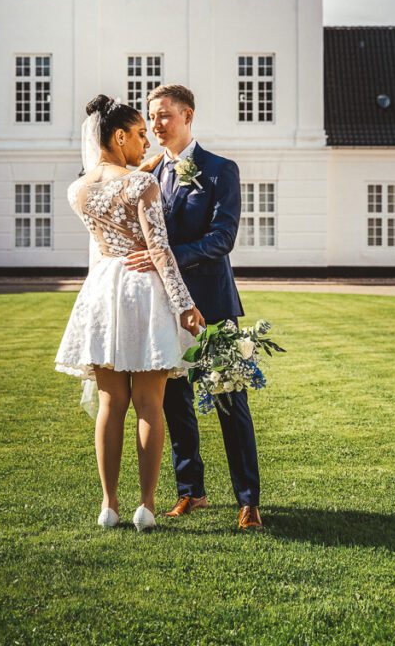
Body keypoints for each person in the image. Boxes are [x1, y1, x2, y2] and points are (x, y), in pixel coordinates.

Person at [55, 95, 205, 532]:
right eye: (140, 135)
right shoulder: (142, 186)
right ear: (119, 137)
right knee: (149, 405)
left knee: (110, 403)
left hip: (102, 291)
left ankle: (108, 505)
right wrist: (185, 305)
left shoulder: (77, 190)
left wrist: (134, 170)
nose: (146, 143)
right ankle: (146, 506)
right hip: (142, 292)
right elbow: (158, 249)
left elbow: (106, 205)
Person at [124, 84, 263, 531]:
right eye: (151, 116)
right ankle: (191, 492)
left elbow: (223, 239)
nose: (155, 124)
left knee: (228, 400)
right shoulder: (148, 173)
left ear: (188, 115)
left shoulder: (221, 170)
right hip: (164, 305)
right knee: (175, 403)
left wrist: (165, 256)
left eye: (164, 115)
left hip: (213, 304)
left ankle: (248, 500)